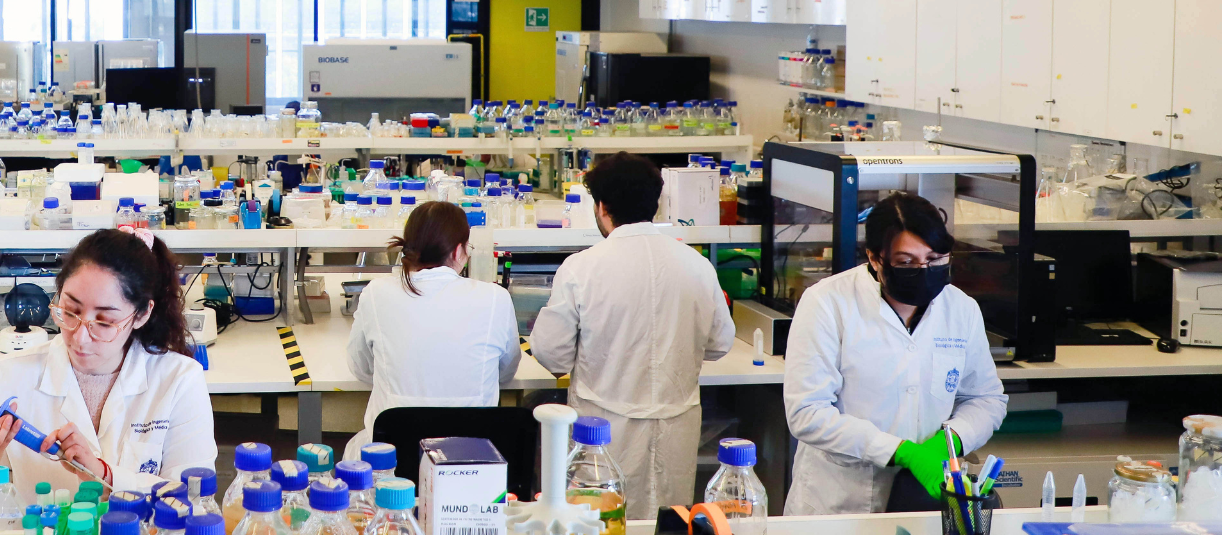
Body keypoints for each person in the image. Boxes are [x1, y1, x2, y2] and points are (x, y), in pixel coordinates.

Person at [528, 152, 736, 517]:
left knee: (604, 521)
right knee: (667, 522)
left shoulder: (582, 267)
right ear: (655, 204)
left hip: (602, 435)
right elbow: (720, 343)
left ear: (601, 207)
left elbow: (552, 354)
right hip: (675, 429)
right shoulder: (698, 265)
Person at [0, 228, 216, 501]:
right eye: (70, 311)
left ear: (142, 315)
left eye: (104, 322)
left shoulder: (180, 380)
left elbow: (195, 501)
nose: (80, 337)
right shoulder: (5, 377)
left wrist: (104, 475)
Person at [782, 193, 1006, 514]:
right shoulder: (827, 303)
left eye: (934, 259)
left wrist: (951, 440)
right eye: (906, 262)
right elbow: (807, 412)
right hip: (841, 502)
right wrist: (900, 451)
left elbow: (986, 399)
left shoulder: (961, 308)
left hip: (924, 499)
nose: (923, 269)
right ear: (875, 259)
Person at [344, 201, 521, 460]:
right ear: (459, 250)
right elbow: (505, 373)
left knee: (355, 450)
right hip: (471, 461)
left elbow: (359, 368)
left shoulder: (376, 292)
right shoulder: (496, 298)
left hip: (393, 460)